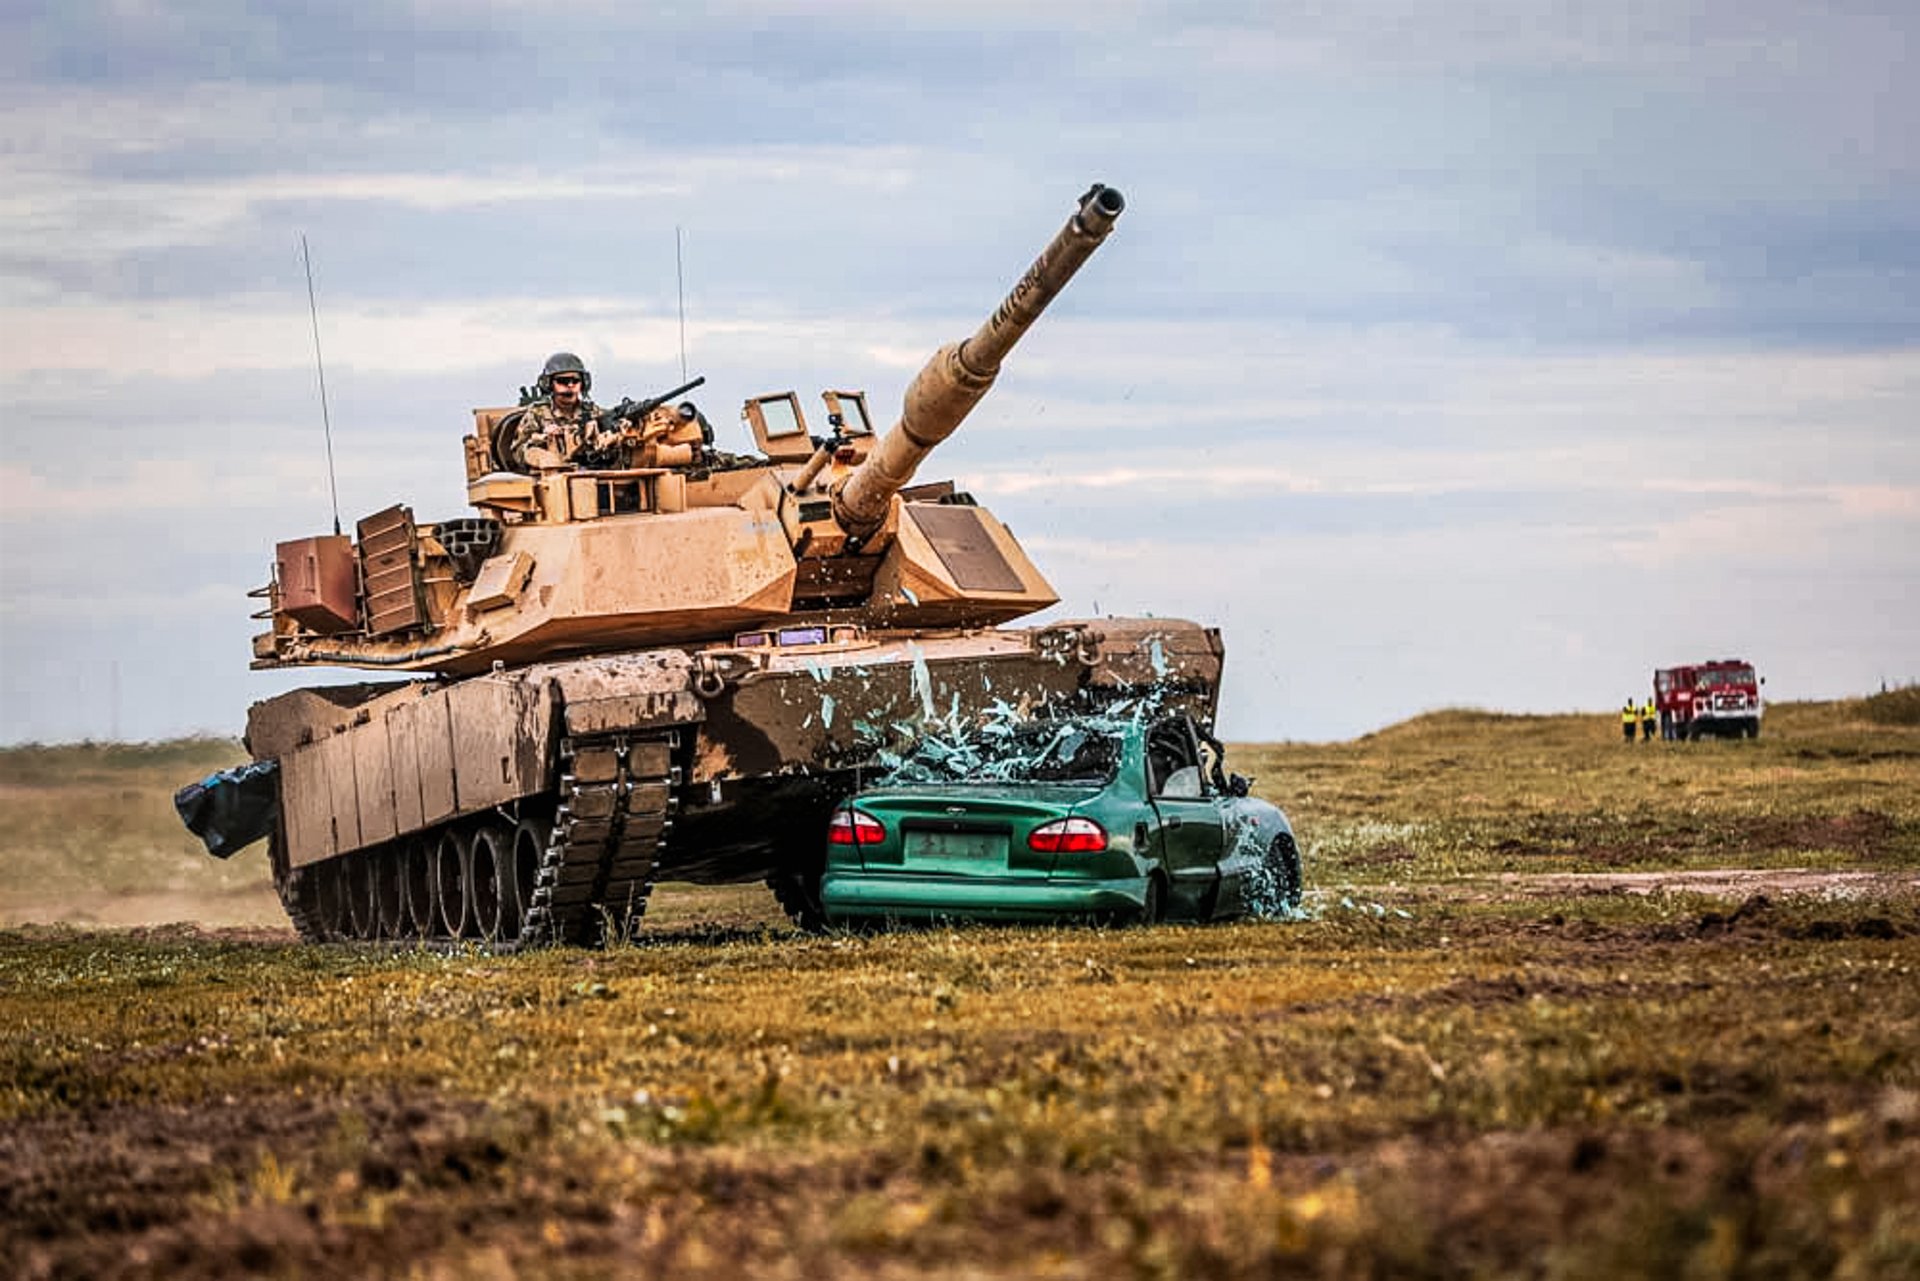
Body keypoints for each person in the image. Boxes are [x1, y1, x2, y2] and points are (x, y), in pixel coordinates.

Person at [507, 352, 622, 471]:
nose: (570, 385)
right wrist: (542, 440)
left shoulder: (594, 413)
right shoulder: (537, 413)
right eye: (563, 381)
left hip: (593, 473)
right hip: (549, 477)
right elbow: (518, 452)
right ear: (549, 383)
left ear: (584, 383)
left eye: (575, 380)